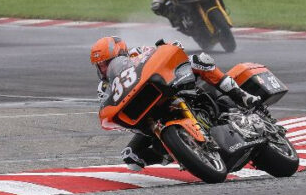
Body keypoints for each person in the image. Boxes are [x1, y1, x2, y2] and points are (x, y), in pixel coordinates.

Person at [90, 35, 260, 170]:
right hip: (148, 114)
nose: (103, 69)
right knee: (132, 156)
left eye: (106, 63)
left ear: (121, 54)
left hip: (167, 88)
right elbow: (109, 106)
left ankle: (241, 95)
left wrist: (172, 46)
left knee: (199, 60)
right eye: (100, 66)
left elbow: (159, 53)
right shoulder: (104, 88)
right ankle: (179, 153)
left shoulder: (136, 53)